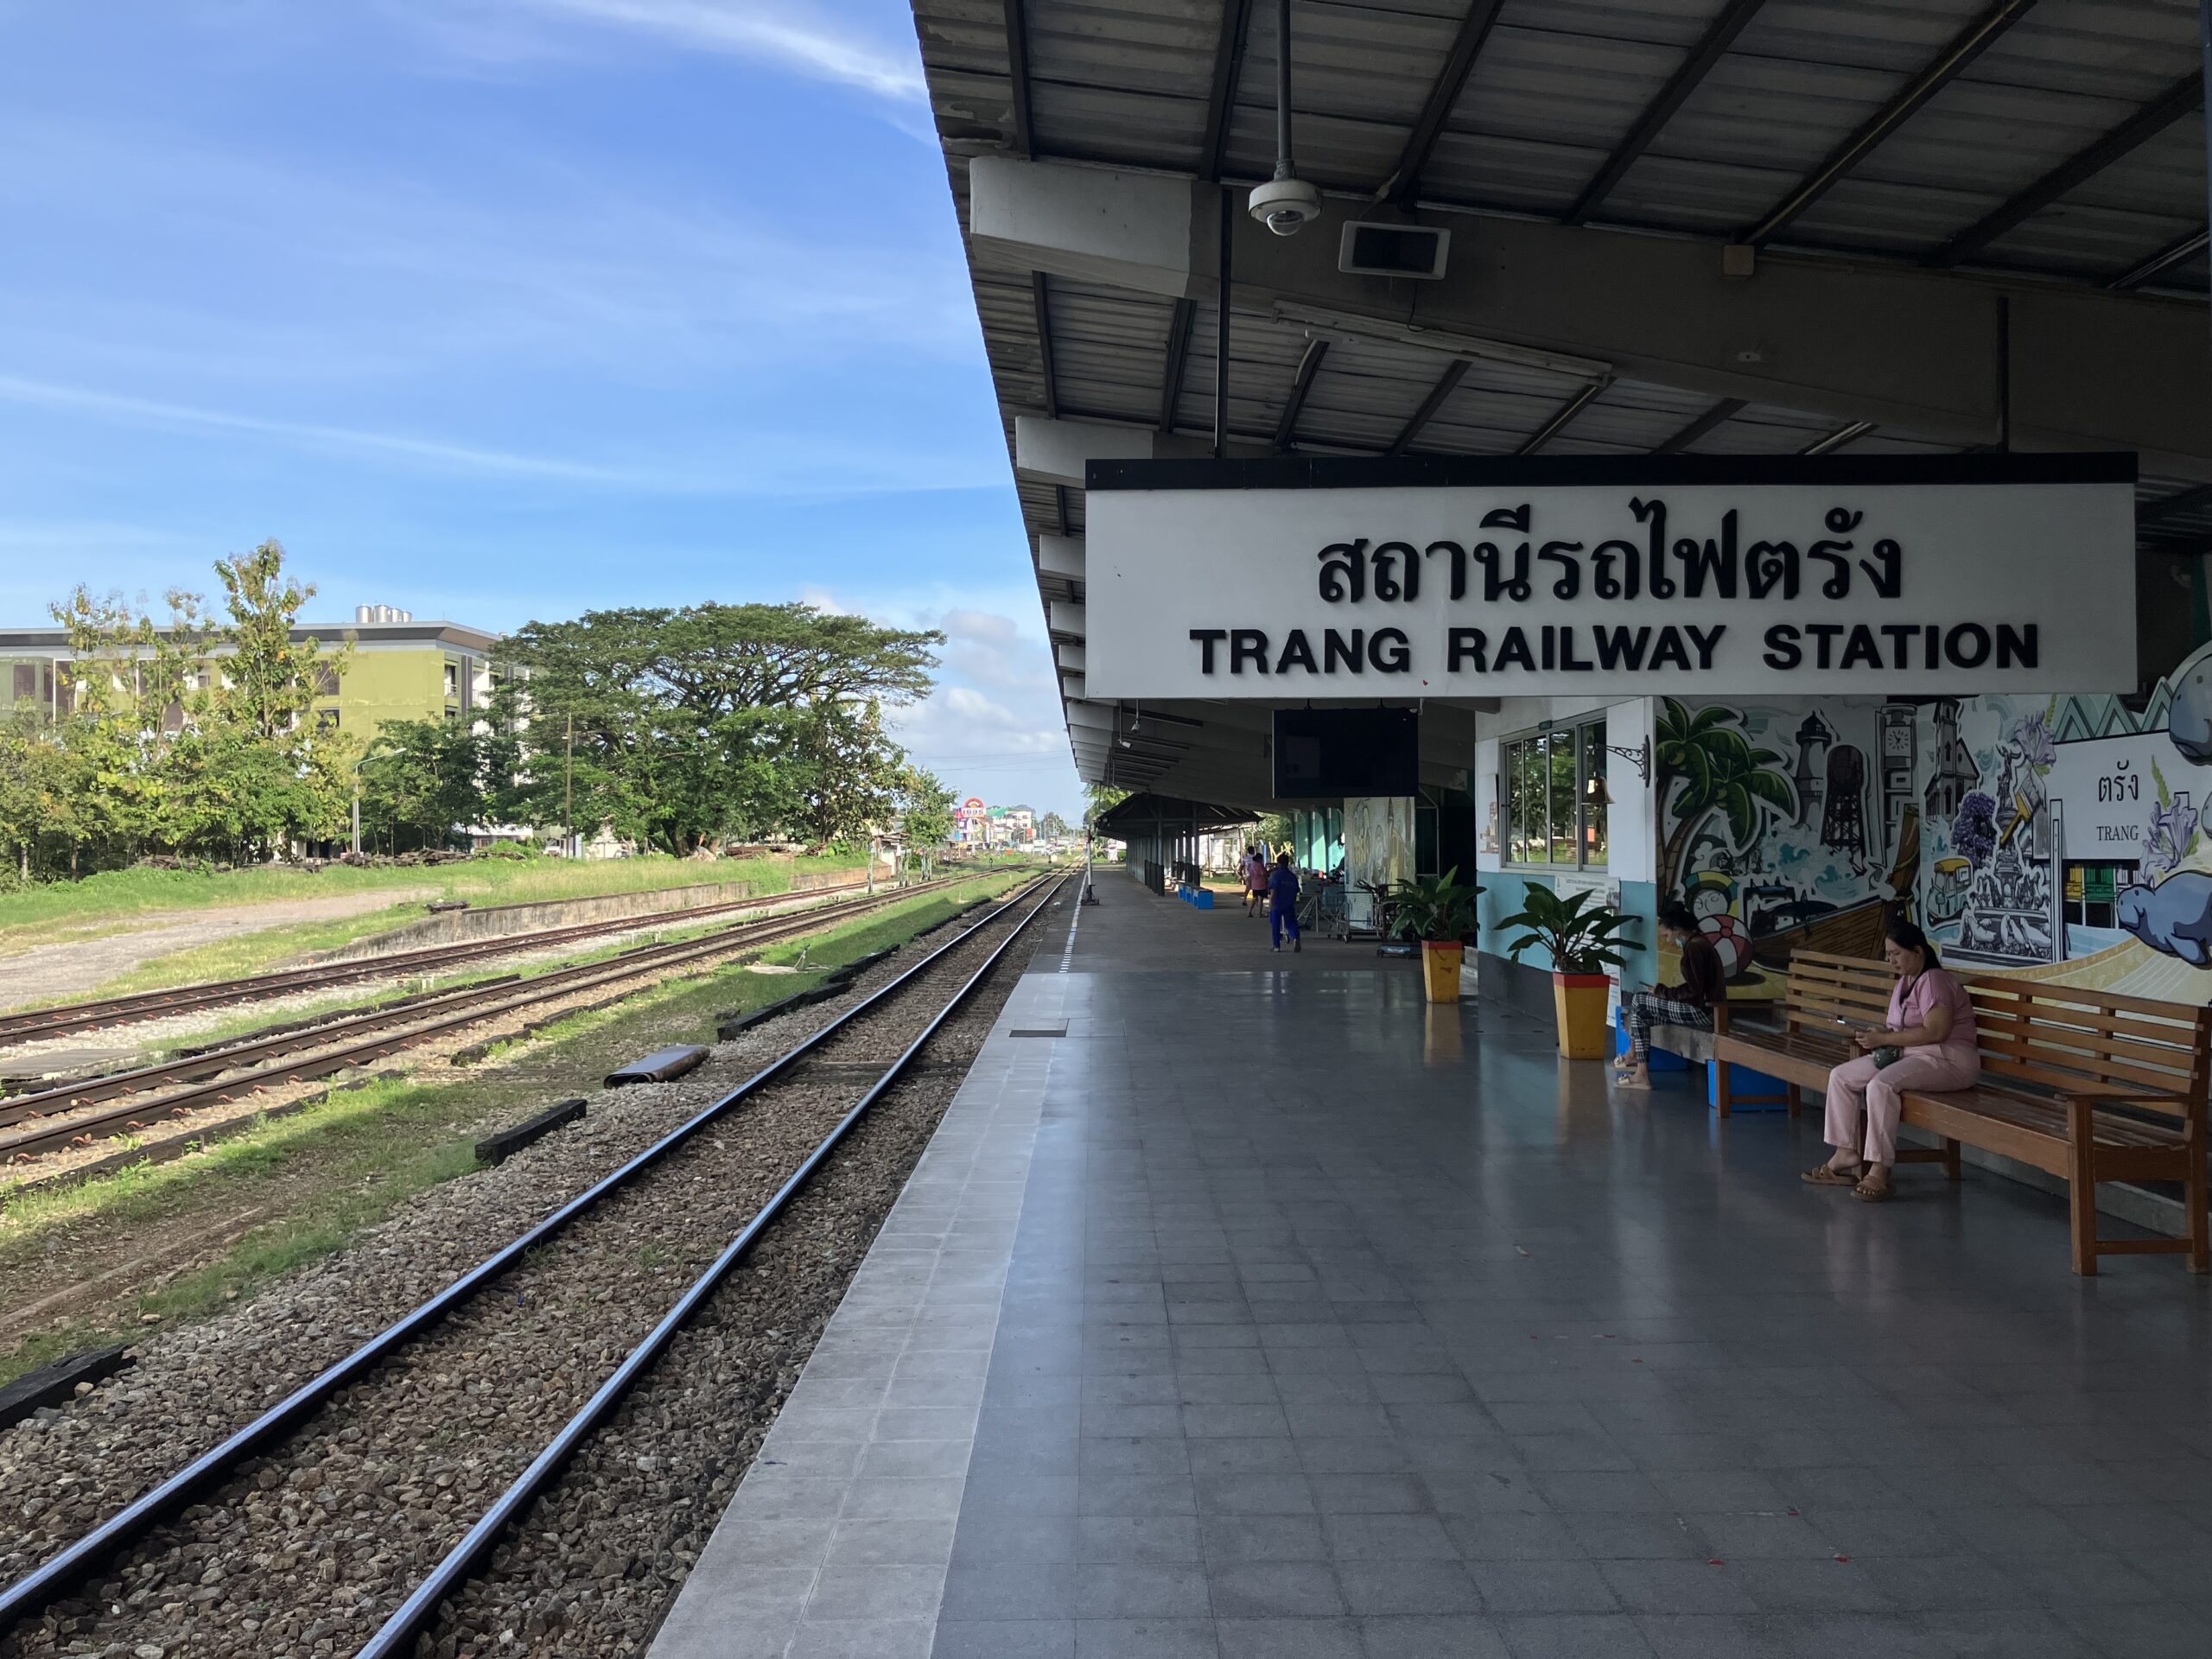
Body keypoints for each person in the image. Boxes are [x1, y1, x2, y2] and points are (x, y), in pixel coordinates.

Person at [1805, 918, 1980, 1202]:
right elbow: (1900, 1030)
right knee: (1841, 1076)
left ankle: (1879, 1169)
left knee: (1881, 1086)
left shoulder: (1934, 980)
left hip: (1949, 1060)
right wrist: (1878, 1035)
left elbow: (1936, 1032)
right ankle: (1845, 1152)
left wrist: (1884, 1040)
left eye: (1896, 953)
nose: (1891, 961)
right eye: (1888, 955)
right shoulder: (1905, 983)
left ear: (1918, 951)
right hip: (1912, 1054)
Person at [1615, 901, 1724, 1090]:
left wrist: (1664, 992)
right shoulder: (1696, 943)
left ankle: (1633, 1058)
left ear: (1678, 930)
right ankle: (1641, 1072)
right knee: (1640, 1015)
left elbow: (1695, 990)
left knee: (1639, 999)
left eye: (1667, 935)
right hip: (1700, 1007)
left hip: (1702, 1011)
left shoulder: (1696, 948)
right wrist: (1664, 993)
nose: (1668, 940)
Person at [1268, 851, 1302, 953]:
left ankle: (1277, 946)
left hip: (1277, 903)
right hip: (1289, 903)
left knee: (1275, 924)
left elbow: (1273, 890)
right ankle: (1295, 938)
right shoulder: (1293, 877)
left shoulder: (1275, 875)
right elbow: (1297, 890)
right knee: (1291, 923)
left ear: (1278, 863)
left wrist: (1271, 901)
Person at [1242, 845, 1268, 916]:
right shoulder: (1260, 865)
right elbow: (1263, 874)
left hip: (1254, 884)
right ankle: (1260, 913)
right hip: (1261, 885)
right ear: (1260, 859)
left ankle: (1249, 912)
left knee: (1254, 898)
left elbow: (1247, 869)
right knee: (1261, 900)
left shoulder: (1251, 864)